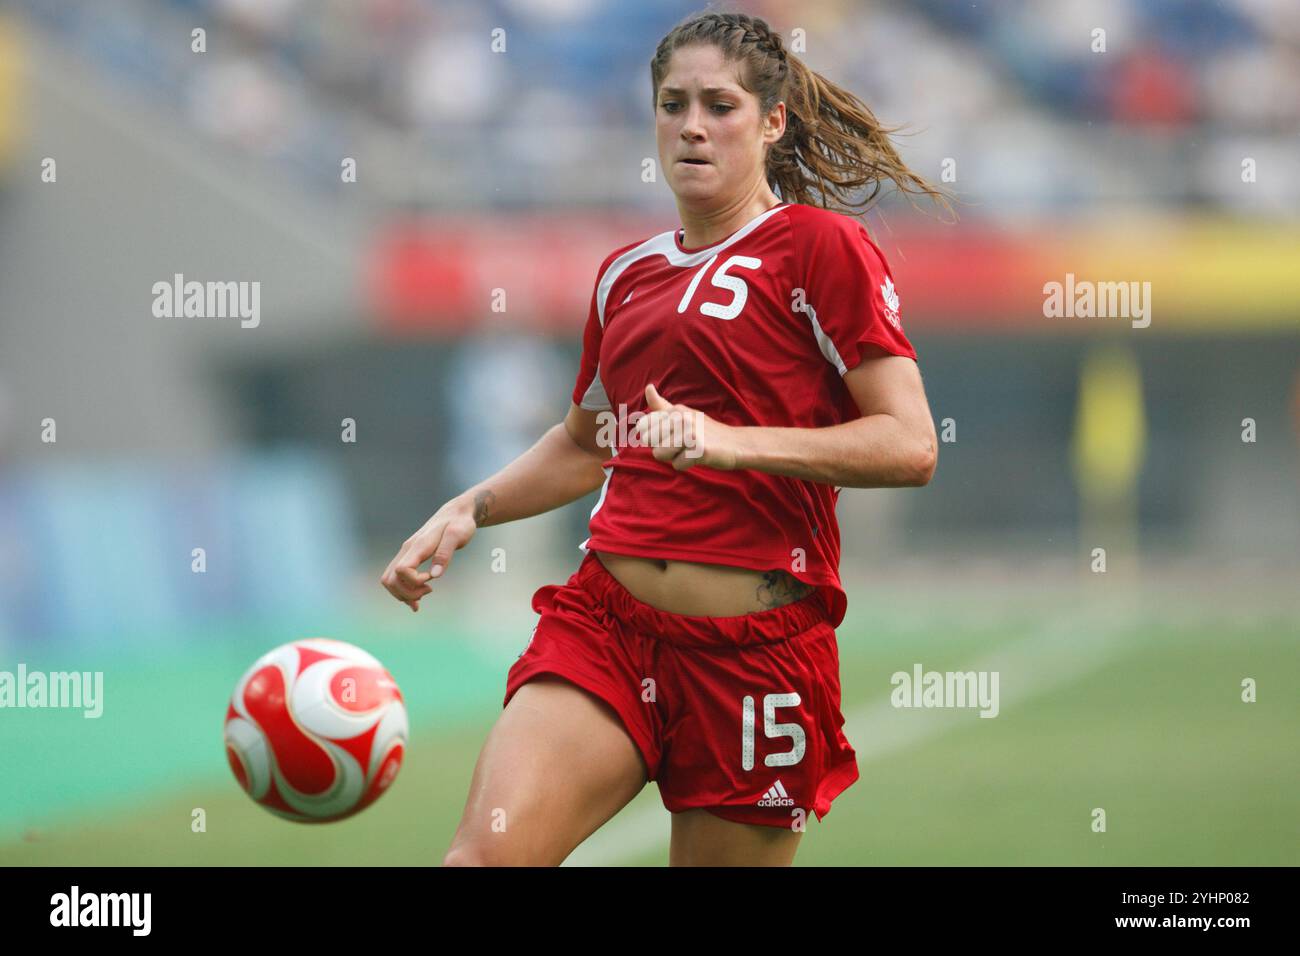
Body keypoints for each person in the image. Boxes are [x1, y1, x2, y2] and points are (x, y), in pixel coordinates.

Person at [381, 10, 945, 866]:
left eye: (719, 105)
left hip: (757, 660)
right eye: (672, 102)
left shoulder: (820, 249)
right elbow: (587, 443)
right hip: (608, 626)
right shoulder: (624, 274)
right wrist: (469, 509)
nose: (691, 125)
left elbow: (910, 445)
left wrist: (733, 442)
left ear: (772, 120)